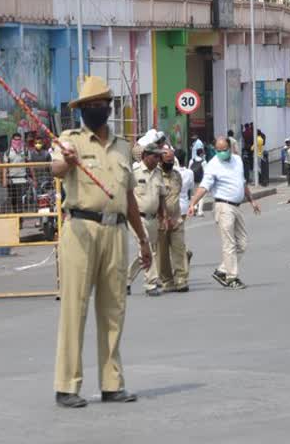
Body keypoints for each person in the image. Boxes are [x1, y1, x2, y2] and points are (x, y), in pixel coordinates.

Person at [51, 75, 150, 408]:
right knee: (74, 308)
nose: (95, 110)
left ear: (109, 108)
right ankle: (67, 386)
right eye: (88, 106)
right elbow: (56, 169)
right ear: (80, 110)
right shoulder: (70, 140)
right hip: (81, 229)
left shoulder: (123, 146)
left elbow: (130, 197)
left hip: (116, 231)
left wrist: (143, 238)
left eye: (100, 105)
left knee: (113, 310)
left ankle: (112, 383)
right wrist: (67, 160)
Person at [188, 137, 261, 289]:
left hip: (236, 206)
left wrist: (252, 200)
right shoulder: (213, 165)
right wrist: (193, 203)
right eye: (218, 150)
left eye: (224, 150)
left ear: (230, 147)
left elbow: (242, 182)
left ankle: (222, 271)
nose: (222, 153)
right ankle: (232, 277)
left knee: (242, 243)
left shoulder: (237, 160)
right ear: (215, 150)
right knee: (229, 243)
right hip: (223, 206)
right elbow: (204, 187)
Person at [128, 144, 167, 296]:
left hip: (153, 218)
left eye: (159, 157)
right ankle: (151, 283)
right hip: (137, 218)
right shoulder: (135, 172)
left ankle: (126, 280)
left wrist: (163, 216)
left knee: (146, 252)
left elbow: (162, 195)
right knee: (146, 249)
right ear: (145, 155)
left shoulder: (158, 173)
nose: (158, 160)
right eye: (155, 156)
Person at [157, 146, 189, 293]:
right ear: (160, 160)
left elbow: (178, 193)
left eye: (171, 160)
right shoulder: (156, 176)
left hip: (176, 219)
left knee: (179, 250)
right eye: (167, 161)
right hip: (160, 221)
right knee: (162, 254)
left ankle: (181, 279)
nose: (169, 163)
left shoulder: (177, 175)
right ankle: (167, 280)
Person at [3, 133, 29, 218]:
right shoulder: (7, 152)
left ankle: (20, 218)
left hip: (22, 179)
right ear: (12, 140)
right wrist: (4, 180)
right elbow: (5, 167)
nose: (17, 141)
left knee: (20, 199)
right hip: (12, 180)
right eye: (15, 140)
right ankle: (16, 216)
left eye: (19, 140)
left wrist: (33, 178)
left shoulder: (25, 151)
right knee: (13, 199)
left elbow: (30, 165)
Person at [189, 148, 207, 216]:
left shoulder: (191, 160)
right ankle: (200, 211)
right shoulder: (204, 162)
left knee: (193, 194)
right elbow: (206, 172)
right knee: (201, 195)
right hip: (201, 180)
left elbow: (189, 169)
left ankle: (194, 207)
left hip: (193, 179)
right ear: (201, 154)